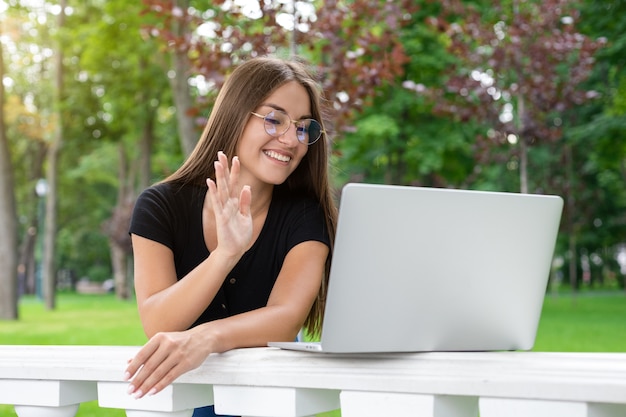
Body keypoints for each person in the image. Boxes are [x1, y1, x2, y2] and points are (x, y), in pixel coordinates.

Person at [124, 56, 338, 417]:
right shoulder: (160, 205)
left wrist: (206, 338)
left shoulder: (305, 214)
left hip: (269, 398)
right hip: (187, 396)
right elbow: (158, 322)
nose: (291, 140)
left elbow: (285, 320)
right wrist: (225, 254)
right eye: (274, 120)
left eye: (303, 128)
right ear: (235, 116)